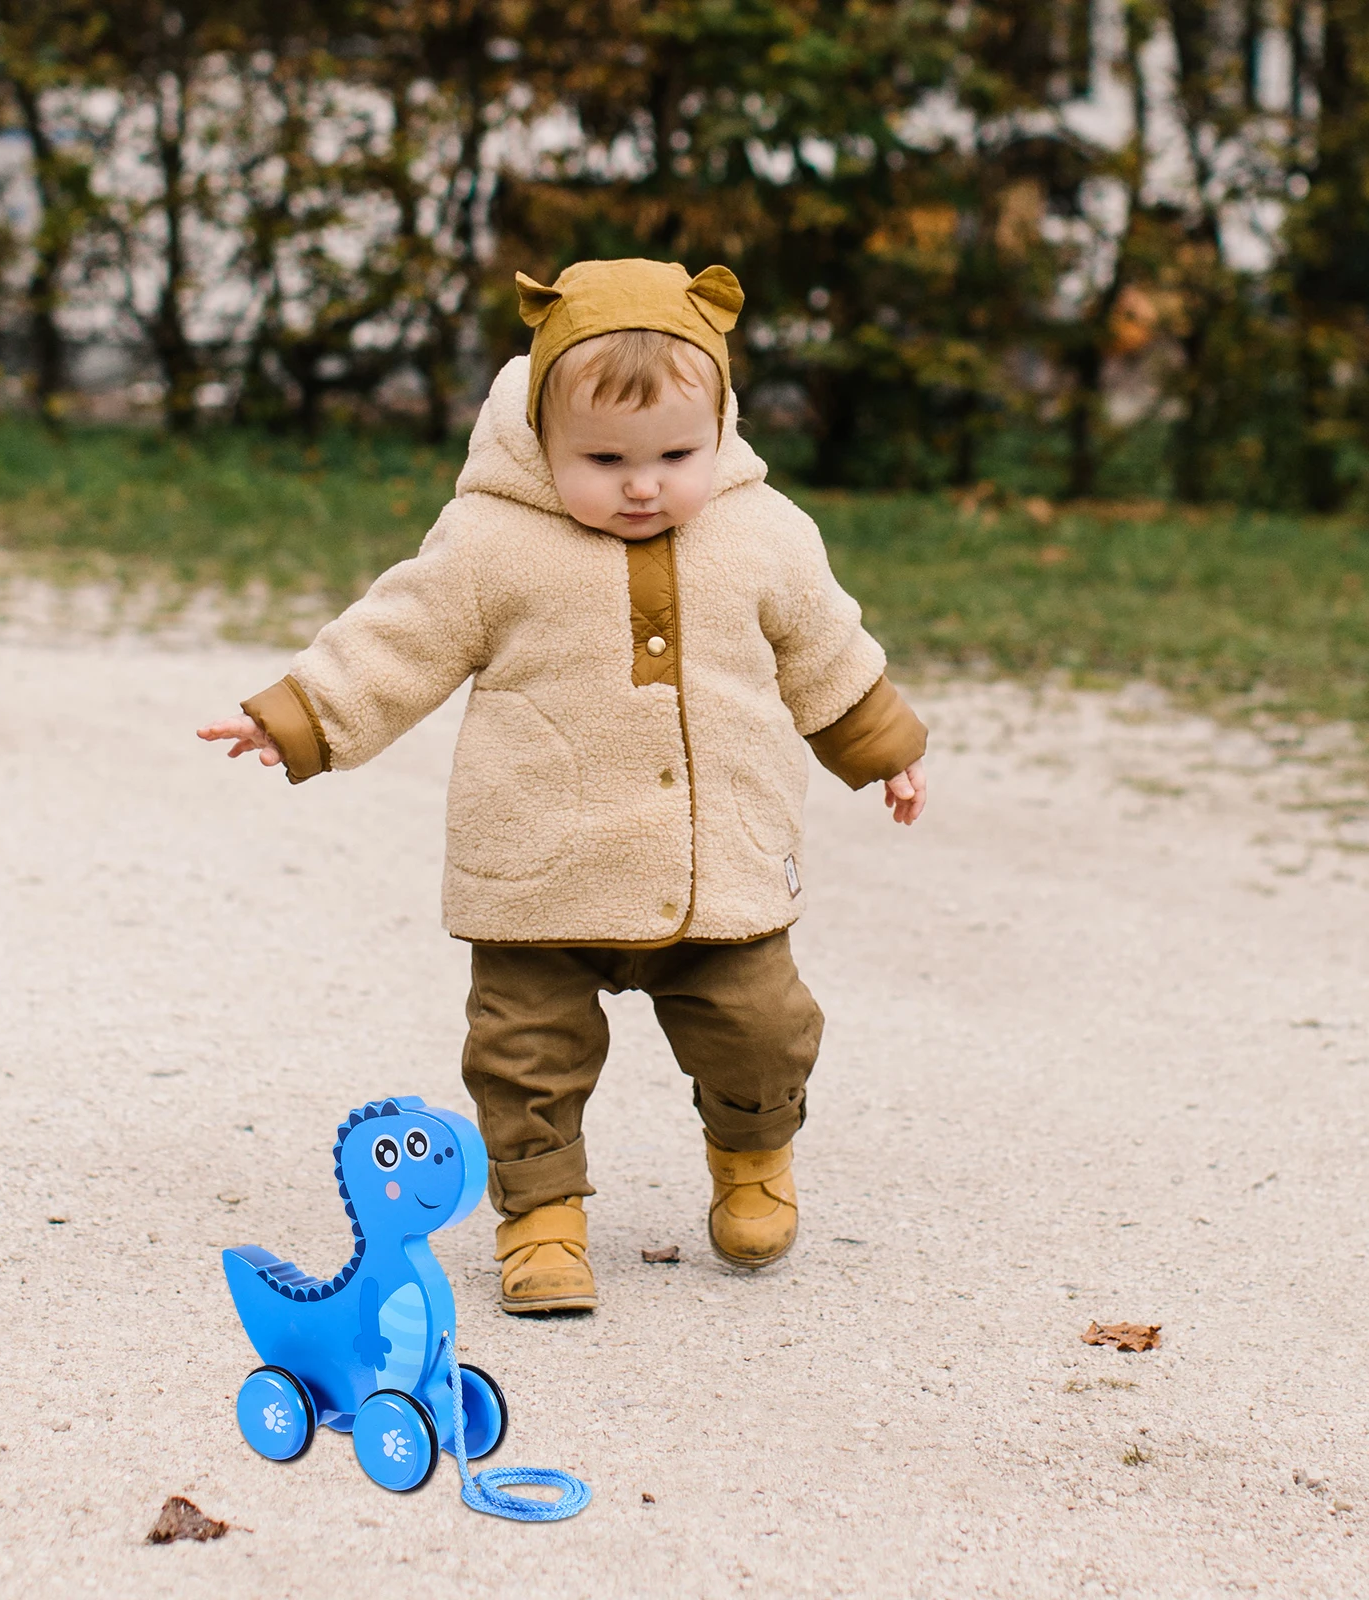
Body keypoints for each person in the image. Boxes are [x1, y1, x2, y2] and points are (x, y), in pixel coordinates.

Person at [199, 258, 927, 1315]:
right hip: (541, 866)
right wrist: (299, 714)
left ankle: (752, 1156)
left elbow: (826, 650)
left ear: (720, 424)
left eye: (676, 454)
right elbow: (399, 636)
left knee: (763, 1025)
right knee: (523, 1053)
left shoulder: (764, 534)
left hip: (713, 863)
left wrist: (883, 747)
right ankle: (540, 1216)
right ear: (539, 437)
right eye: (603, 458)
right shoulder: (493, 541)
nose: (643, 484)